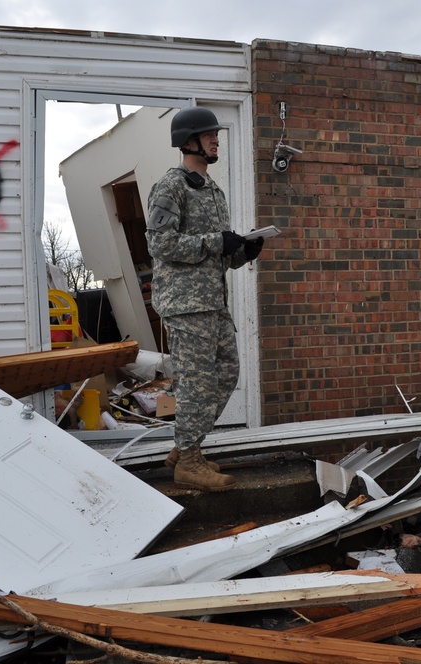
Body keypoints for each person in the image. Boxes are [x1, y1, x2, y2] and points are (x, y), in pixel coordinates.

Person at [145, 106, 265, 492]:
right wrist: (217, 241)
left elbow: (218, 254)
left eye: (216, 134)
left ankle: (184, 449)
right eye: (210, 134)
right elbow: (160, 243)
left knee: (227, 374)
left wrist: (244, 250)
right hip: (185, 305)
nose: (217, 140)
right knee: (197, 383)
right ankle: (190, 460)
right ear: (189, 141)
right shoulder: (172, 185)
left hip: (213, 301)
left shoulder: (213, 190)